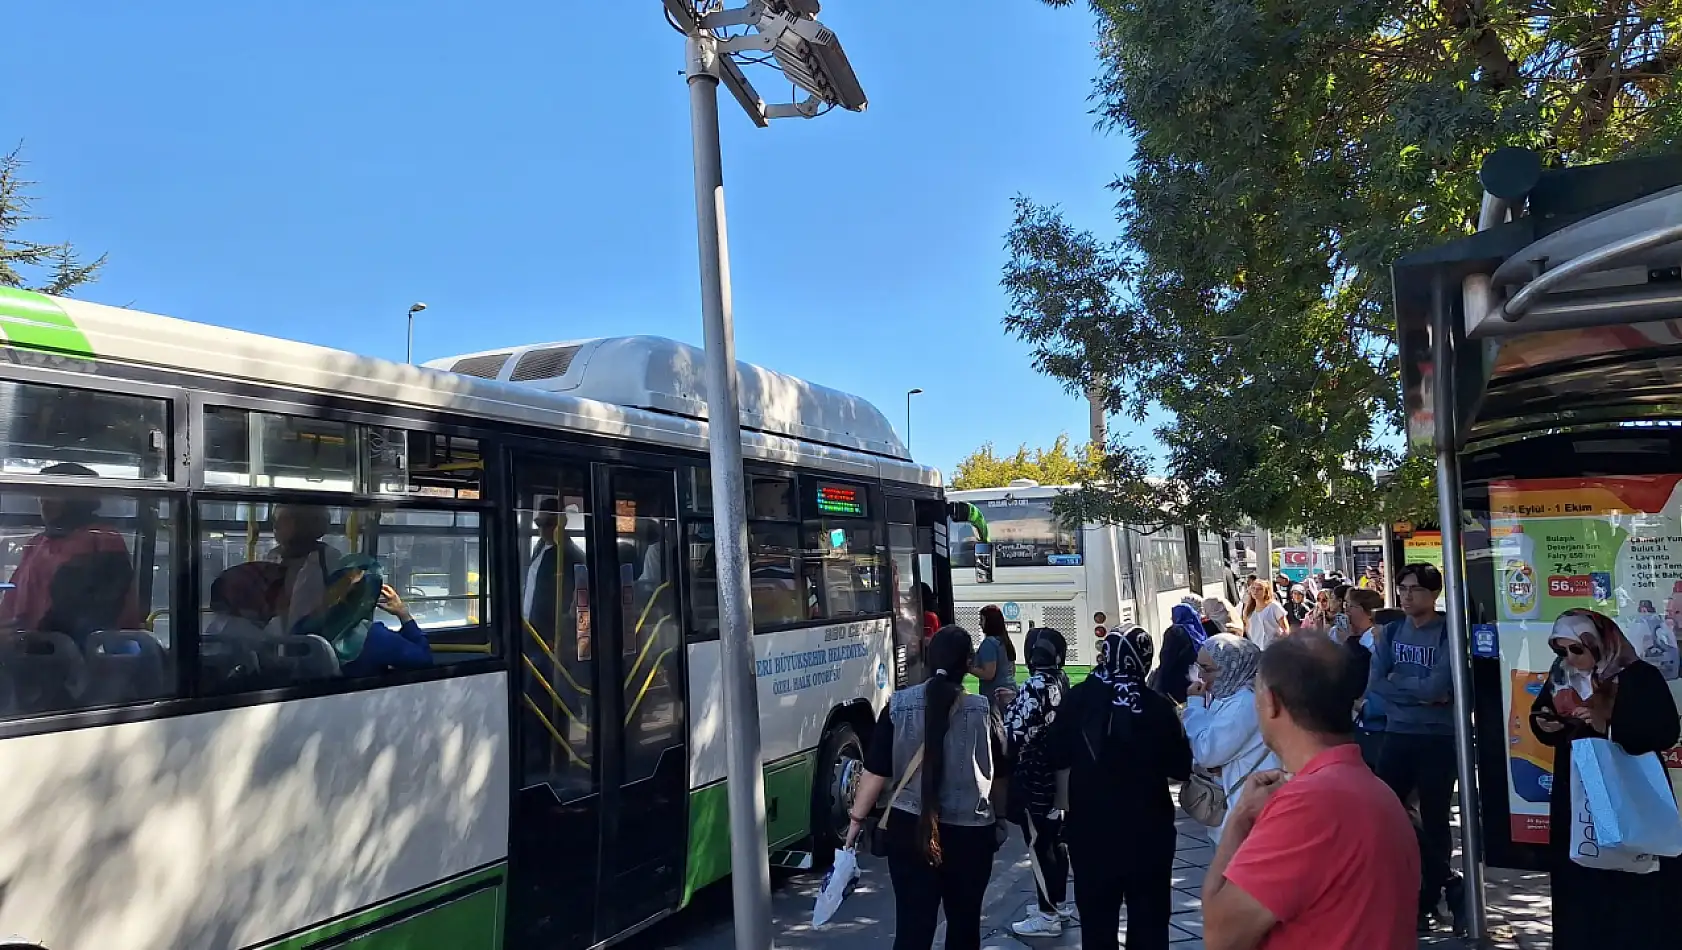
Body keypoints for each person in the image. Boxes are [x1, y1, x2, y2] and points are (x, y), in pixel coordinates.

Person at [1201, 635, 1418, 949]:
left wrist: (1240, 817)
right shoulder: (1372, 788)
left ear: (1272, 702)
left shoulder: (1310, 804)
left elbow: (1219, 936)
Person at [1528, 609, 1682, 948]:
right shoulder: (1563, 676)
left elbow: (1664, 730)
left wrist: (1608, 726)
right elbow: (1542, 715)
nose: (1568, 658)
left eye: (1576, 650)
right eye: (1561, 651)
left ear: (1599, 644)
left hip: (1630, 787)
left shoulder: (1638, 676)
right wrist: (1546, 724)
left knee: (1635, 872)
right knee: (1581, 873)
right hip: (1578, 788)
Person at [849, 626, 1006, 950]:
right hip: (971, 834)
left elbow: (875, 771)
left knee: (913, 928)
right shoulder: (983, 710)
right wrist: (999, 820)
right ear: (968, 663)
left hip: (909, 830)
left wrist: (855, 822)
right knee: (964, 927)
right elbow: (1002, 773)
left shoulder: (898, 706)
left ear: (930, 659)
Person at [1047, 627, 1191, 950]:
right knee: (1150, 924)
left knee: (1097, 926)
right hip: (1149, 836)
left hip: (1090, 834)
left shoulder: (1079, 700)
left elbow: (1055, 753)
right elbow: (1181, 767)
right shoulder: (1157, 708)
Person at [1366, 562, 1460, 934]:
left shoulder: (1447, 632)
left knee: (1435, 817)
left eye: (1415, 589)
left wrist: (1403, 685)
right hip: (1398, 733)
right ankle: (1399, 889)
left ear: (1433, 593)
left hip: (1439, 738)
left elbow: (1438, 688)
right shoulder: (1389, 633)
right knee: (1386, 813)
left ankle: (1433, 892)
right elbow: (1376, 684)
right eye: (1402, 588)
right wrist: (1415, 692)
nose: (1406, 595)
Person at [0, 463, 141, 633]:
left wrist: (35, 638)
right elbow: (11, 603)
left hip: (82, 652)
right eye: (42, 495)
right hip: (28, 648)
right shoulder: (37, 543)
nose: (44, 502)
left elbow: (92, 612)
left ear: (78, 499)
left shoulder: (102, 540)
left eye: (54, 495)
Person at [1004, 628, 1075, 937]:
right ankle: (1057, 902)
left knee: (1038, 843)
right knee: (1056, 841)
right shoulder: (1062, 680)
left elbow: (1013, 733)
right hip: (1058, 774)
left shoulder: (1033, 685)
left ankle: (1047, 916)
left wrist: (1007, 707)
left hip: (1035, 778)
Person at [1182, 634, 1277, 845]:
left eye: (1208, 669)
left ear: (1232, 667)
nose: (1202, 677)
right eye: (1200, 668)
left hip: (1247, 811)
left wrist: (1195, 706)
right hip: (1238, 806)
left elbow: (1206, 752)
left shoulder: (1245, 702)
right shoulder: (1229, 695)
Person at [293, 556, 434, 678]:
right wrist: (404, 615)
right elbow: (424, 661)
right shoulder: (374, 637)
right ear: (370, 597)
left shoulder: (305, 626)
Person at [267, 504, 341, 635]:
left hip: (316, 640)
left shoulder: (329, 558)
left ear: (303, 524)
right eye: (275, 520)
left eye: (283, 520)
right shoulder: (273, 556)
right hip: (275, 640)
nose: (276, 526)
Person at [1341, 588, 1384, 762]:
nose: (1347, 611)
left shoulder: (1376, 641)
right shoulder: (1355, 639)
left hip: (1374, 719)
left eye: (1351, 606)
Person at [1150, 602, 1209, 705]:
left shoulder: (1174, 632)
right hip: (1197, 680)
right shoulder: (1199, 630)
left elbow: (1166, 659)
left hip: (1176, 682)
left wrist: (1160, 683)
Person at [973, 605, 1018, 706]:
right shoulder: (1005, 642)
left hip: (996, 696)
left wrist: (967, 668)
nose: (980, 623)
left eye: (982, 620)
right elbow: (1013, 670)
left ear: (990, 622)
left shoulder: (989, 643)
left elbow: (988, 674)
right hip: (1011, 691)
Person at [1244, 578, 1289, 648]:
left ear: (1266, 592)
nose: (1255, 591)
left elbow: (1285, 629)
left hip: (1272, 648)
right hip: (1254, 647)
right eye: (1253, 588)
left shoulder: (1274, 606)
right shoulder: (1248, 607)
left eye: (1259, 589)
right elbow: (1247, 628)